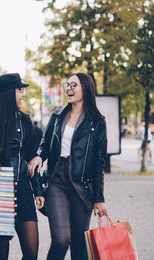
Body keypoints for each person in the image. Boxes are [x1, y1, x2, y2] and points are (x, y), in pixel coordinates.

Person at [27, 72, 108, 260]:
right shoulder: (57, 116)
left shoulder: (97, 122)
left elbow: (98, 163)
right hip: (57, 181)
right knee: (61, 240)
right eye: (68, 85)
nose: (69, 89)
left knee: (79, 245)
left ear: (86, 89)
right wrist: (39, 157)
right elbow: (45, 144)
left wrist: (99, 198)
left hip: (82, 185)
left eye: (74, 85)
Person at [0, 73, 45, 260]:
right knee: (1, 255)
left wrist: (38, 191)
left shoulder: (26, 121)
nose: (23, 95)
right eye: (20, 90)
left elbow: (32, 158)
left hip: (23, 192)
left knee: (31, 254)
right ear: (8, 93)